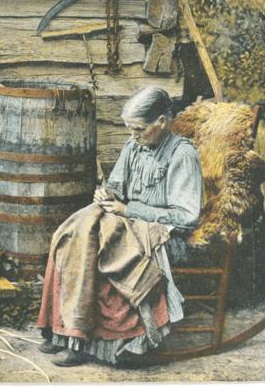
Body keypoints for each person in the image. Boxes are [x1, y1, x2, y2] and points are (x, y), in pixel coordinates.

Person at [37, 86, 203, 366]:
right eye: (130, 129)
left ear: (161, 123)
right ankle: (64, 333)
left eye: (139, 129)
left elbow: (187, 216)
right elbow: (115, 185)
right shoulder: (134, 145)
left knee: (101, 250)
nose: (134, 136)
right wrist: (107, 194)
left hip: (165, 234)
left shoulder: (182, 154)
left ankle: (85, 343)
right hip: (126, 220)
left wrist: (130, 209)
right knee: (72, 233)